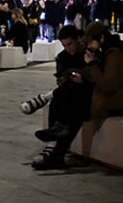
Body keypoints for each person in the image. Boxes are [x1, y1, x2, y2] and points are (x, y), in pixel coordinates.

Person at [30, 25, 93, 170]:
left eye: (70, 44)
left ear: (78, 39)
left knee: (72, 108)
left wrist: (79, 76)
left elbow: (94, 73)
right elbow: (61, 75)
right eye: (64, 45)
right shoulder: (63, 57)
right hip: (69, 94)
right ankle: (56, 135)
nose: (68, 48)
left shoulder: (87, 54)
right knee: (60, 96)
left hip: (86, 93)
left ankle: (56, 141)